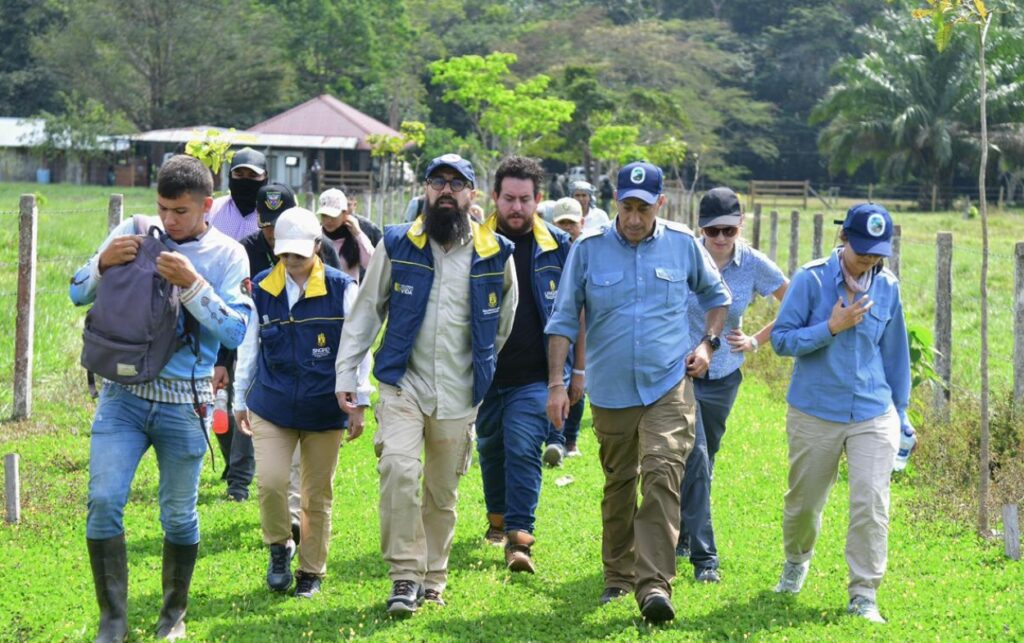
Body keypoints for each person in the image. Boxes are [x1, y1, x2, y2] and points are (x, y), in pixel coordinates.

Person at [70, 154, 252, 641]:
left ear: (207, 206)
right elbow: (76, 292)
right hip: (122, 397)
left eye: (181, 212)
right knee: (103, 500)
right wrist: (101, 264)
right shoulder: (134, 230)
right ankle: (113, 621)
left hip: (187, 402)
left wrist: (193, 285)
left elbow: (236, 332)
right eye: (162, 209)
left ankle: (173, 615)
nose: (169, 221)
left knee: (178, 514)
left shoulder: (229, 255)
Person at [545, 161, 730, 624]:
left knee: (663, 473)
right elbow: (563, 319)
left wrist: (707, 345)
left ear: (660, 204)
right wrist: (557, 384)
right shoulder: (588, 249)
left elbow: (717, 297)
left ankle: (654, 586)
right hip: (611, 391)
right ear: (615, 203)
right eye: (626, 207)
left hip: (668, 384)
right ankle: (618, 575)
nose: (633, 218)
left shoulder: (683, 244)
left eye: (643, 209)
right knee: (620, 483)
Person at [335, 153, 518, 617]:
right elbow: (366, 311)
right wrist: (347, 373)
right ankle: (404, 575)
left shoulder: (496, 252)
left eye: (457, 184)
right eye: (438, 182)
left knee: (441, 492)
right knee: (398, 470)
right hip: (403, 383)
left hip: (460, 390)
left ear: (472, 194)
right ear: (425, 189)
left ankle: (433, 578)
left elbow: (502, 324)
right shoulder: (398, 243)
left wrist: (480, 366)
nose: (446, 191)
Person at [770, 203, 914, 624]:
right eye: (861, 249)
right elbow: (781, 340)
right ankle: (796, 560)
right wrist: (830, 328)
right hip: (815, 410)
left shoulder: (887, 286)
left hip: (873, 411)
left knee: (871, 502)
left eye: (876, 252)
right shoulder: (811, 279)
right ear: (843, 237)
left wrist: (901, 413)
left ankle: (864, 593)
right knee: (804, 504)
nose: (868, 258)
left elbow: (896, 356)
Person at [232, 207, 371, 599]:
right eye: (285, 252)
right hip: (271, 404)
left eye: (299, 252)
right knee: (271, 482)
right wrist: (239, 400)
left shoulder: (342, 288)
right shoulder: (261, 287)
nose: (291, 260)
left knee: (316, 495)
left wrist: (359, 399)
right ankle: (279, 547)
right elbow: (249, 347)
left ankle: (311, 572)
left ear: (316, 246)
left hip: (324, 408)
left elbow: (358, 347)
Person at [676, 187, 789, 584]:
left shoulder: (754, 263)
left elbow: (796, 301)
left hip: (724, 375)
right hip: (681, 374)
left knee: (704, 459)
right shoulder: (684, 255)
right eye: (713, 231)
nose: (721, 238)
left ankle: (682, 533)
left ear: (741, 225)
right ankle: (705, 558)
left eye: (729, 230)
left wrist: (756, 340)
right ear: (700, 229)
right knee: (695, 457)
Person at [475, 156, 572, 572]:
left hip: (536, 374)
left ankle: (519, 540)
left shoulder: (558, 245)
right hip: (483, 373)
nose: (517, 208)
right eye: (509, 199)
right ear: (494, 197)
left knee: (522, 448)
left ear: (538, 199)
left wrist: (572, 374)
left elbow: (576, 309)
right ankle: (497, 518)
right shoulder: (473, 242)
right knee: (490, 445)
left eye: (525, 199)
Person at [209, 147, 268, 501]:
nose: (245, 182)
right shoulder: (214, 211)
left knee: (242, 391)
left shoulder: (271, 213)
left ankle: (239, 479)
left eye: (253, 176)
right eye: (239, 175)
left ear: (265, 178)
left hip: (256, 313)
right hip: (212, 311)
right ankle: (233, 459)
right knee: (216, 396)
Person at [543, 197, 588, 463]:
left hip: (582, 329)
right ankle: (556, 439)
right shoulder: (549, 253)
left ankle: (569, 440)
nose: (567, 228)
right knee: (557, 380)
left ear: (582, 223)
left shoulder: (588, 253)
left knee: (577, 385)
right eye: (562, 223)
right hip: (555, 328)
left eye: (572, 223)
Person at [317, 188, 377, 282]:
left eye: (333, 216)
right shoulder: (316, 238)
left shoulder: (355, 238)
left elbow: (373, 264)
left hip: (348, 290)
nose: (328, 220)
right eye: (324, 215)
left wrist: (358, 234)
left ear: (345, 214)